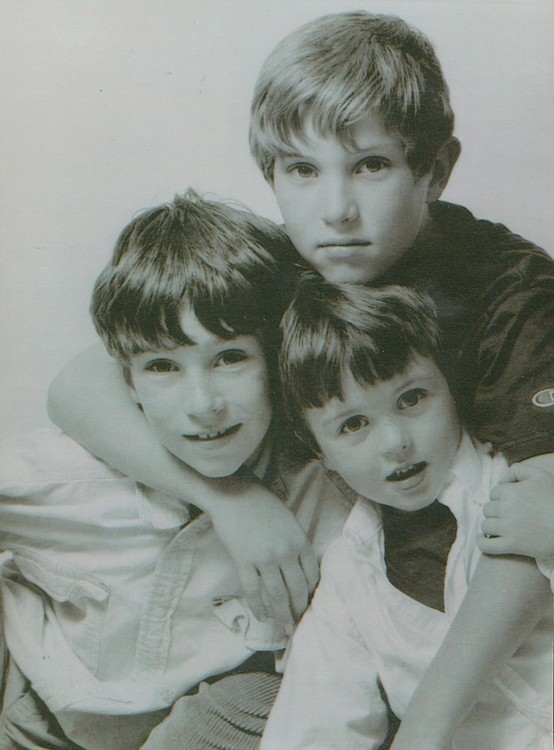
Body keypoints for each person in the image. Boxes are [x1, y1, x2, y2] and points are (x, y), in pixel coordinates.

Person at [47, 11, 554, 746]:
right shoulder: (289, 262)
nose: (336, 209)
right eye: (303, 170)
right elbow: (79, 383)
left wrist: (426, 728)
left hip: (473, 631)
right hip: (321, 609)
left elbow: (535, 526)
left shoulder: (511, 291)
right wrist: (228, 497)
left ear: (435, 170)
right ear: (272, 175)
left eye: (372, 165)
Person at [0, 192, 354, 750]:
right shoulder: (73, 474)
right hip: (32, 709)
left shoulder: (329, 491)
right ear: (127, 380)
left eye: (230, 358)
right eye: (163, 366)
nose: (202, 404)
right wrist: (230, 497)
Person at [260, 275, 553, 750]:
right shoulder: (349, 578)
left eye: (412, 399)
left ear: (451, 385)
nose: (396, 442)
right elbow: (316, 725)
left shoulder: (525, 484)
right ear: (320, 453)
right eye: (353, 424)